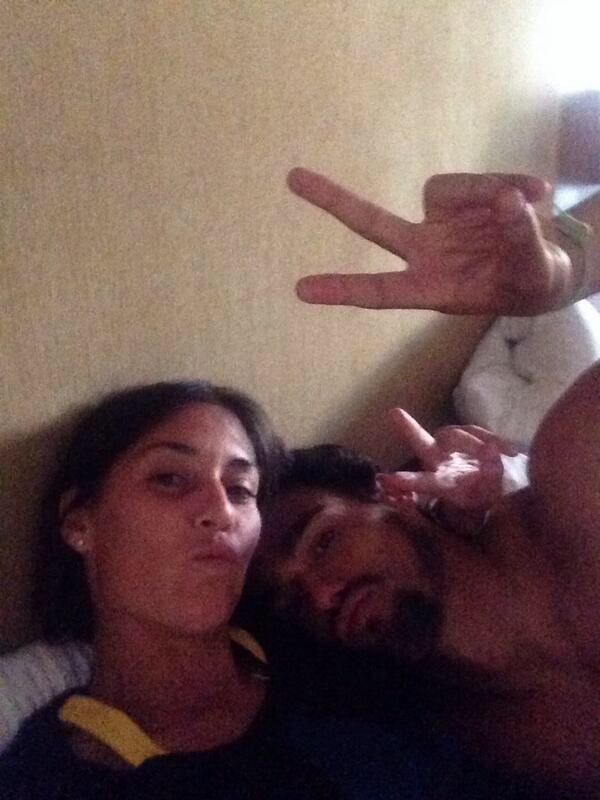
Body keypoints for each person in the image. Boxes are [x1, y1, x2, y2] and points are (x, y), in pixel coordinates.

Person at [0, 380, 522, 800]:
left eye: (239, 488)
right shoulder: (50, 775)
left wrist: (482, 511)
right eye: (169, 479)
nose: (221, 510)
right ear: (80, 521)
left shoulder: (329, 647)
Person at [251, 169, 600, 795]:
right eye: (291, 601)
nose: (322, 596)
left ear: (392, 492)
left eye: (324, 541)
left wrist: (567, 272)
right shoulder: (457, 735)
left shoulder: (578, 468)